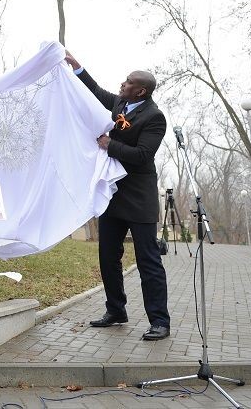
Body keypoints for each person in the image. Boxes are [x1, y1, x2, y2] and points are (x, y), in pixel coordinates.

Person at [64, 51, 171, 341]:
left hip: (138, 197)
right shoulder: (121, 103)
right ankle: (116, 310)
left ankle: (160, 321)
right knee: (108, 256)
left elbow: (142, 155)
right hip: (112, 193)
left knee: (148, 261)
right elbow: (97, 92)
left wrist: (109, 145)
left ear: (141, 91)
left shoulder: (154, 117)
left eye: (128, 82)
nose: (123, 84)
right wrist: (78, 67)